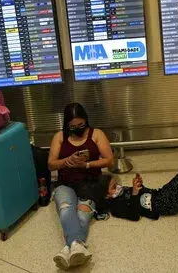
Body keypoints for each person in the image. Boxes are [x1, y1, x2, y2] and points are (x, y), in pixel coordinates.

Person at [47, 102, 114, 270]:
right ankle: (77, 245)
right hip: (65, 184)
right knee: (66, 210)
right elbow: (51, 164)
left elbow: (109, 161)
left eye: (81, 125)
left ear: (86, 121)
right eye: (73, 126)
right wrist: (67, 161)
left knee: (82, 215)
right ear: (67, 125)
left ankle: (68, 248)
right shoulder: (60, 137)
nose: (77, 128)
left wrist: (86, 165)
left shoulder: (96, 134)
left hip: (90, 184)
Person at [91, 166, 178, 223]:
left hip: (160, 194)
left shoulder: (119, 192)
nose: (119, 187)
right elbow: (134, 216)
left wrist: (139, 186)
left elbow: (142, 196)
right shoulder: (116, 207)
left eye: (117, 183)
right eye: (114, 187)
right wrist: (134, 192)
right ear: (106, 196)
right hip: (163, 206)